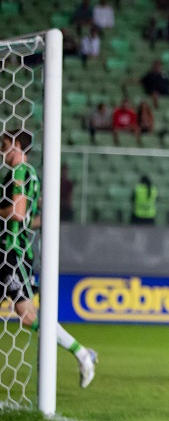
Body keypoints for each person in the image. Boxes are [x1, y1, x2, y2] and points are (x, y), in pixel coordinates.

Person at [0, 131, 97, 387]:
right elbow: (30, 219)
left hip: (11, 254)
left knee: (27, 315)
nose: (2, 151)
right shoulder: (33, 176)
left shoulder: (19, 172)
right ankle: (81, 351)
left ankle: (80, 351)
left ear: (18, 145)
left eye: (5, 145)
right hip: (17, 252)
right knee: (28, 315)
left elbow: (18, 215)